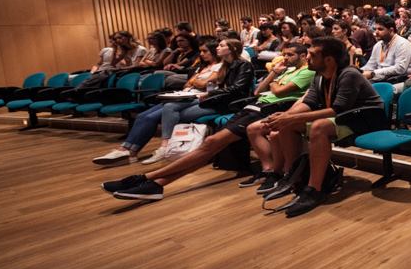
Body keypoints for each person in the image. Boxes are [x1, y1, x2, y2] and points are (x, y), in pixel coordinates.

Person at [102, 43, 316, 200]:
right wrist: (274, 75)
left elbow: (279, 92)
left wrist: (276, 81)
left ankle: (147, 178)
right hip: (253, 105)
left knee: (210, 144)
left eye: (290, 55)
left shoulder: (305, 71)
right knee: (210, 144)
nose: (285, 58)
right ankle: (155, 183)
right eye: (284, 54)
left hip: (265, 109)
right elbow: (258, 90)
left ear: (303, 55)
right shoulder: (286, 70)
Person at [247, 37, 385, 217]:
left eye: (312, 55)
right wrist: (287, 116)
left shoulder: (349, 74)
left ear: (329, 59)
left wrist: (289, 117)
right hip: (345, 117)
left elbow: (337, 109)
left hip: (365, 120)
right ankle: (294, 176)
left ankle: (315, 189)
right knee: (289, 125)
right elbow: (310, 102)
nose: (308, 58)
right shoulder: (319, 76)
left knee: (318, 126)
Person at [92, 39, 231, 165]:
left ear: (214, 51)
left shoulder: (220, 66)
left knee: (165, 110)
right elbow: (187, 84)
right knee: (144, 116)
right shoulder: (202, 67)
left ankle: (157, 148)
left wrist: (195, 81)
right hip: (183, 96)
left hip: (197, 98)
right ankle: (126, 149)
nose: (201, 54)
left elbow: (201, 84)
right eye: (200, 51)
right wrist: (195, 81)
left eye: (204, 51)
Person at [362, 16, 411, 82]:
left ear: (391, 30)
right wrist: (358, 72)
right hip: (381, 77)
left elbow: (400, 69)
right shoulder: (378, 45)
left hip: (400, 79)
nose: (376, 32)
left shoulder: (402, 44)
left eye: (380, 29)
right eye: (375, 29)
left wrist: (373, 73)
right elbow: (370, 66)